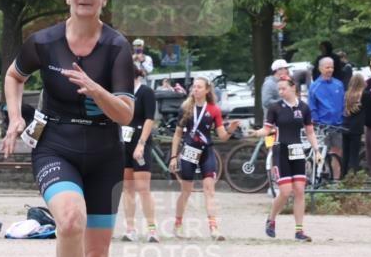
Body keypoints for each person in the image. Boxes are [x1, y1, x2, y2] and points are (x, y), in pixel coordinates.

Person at [2, 0, 133, 257]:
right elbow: (13, 76)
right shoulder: (43, 42)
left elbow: (126, 114)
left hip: (105, 154)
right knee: (70, 220)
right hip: (55, 145)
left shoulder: (117, 48)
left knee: (97, 254)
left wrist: (96, 90)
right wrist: (15, 116)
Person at [170, 76, 240, 240]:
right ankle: (178, 223)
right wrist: (174, 156)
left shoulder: (214, 110)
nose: (195, 89)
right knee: (186, 191)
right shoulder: (186, 108)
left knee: (210, 191)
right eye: (194, 87)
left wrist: (230, 130)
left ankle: (214, 227)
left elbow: (222, 136)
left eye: (199, 87)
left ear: (207, 90)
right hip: (188, 152)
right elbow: (178, 134)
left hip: (206, 151)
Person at [254, 77, 320, 241]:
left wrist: (316, 150)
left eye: (283, 89)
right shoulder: (275, 107)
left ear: (293, 88)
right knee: (285, 191)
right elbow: (267, 128)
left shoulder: (304, 108)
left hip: (297, 151)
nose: (280, 92)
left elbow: (310, 132)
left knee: (299, 190)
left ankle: (299, 230)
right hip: (280, 150)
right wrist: (257, 133)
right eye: (279, 89)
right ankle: (271, 219)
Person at [120, 63, 159, 243]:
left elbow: (149, 119)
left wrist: (141, 144)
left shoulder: (145, 92)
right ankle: (130, 228)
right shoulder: (122, 94)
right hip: (124, 142)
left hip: (139, 143)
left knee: (143, 189)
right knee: (127, 188)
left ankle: (152, 229)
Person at [307, 57, 345, 180]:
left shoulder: (339, 84)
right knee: (321, 153)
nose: (330, 70)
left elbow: (343, 104)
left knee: (337, 153)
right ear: (320, 68)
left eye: (332, 67)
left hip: (338, 125)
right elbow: (312, 107)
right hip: (322, 126)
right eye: (327, 67)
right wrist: (317, 122)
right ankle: (320, 177)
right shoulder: (315, 86)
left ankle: (336, 180)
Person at [341, 73, 367, 176]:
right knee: (354, 155)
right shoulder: (363, 95)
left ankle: (343, 175)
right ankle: (353, 176)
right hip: (356, 129)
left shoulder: (347, 94)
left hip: (345, 126)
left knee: (345, 154)